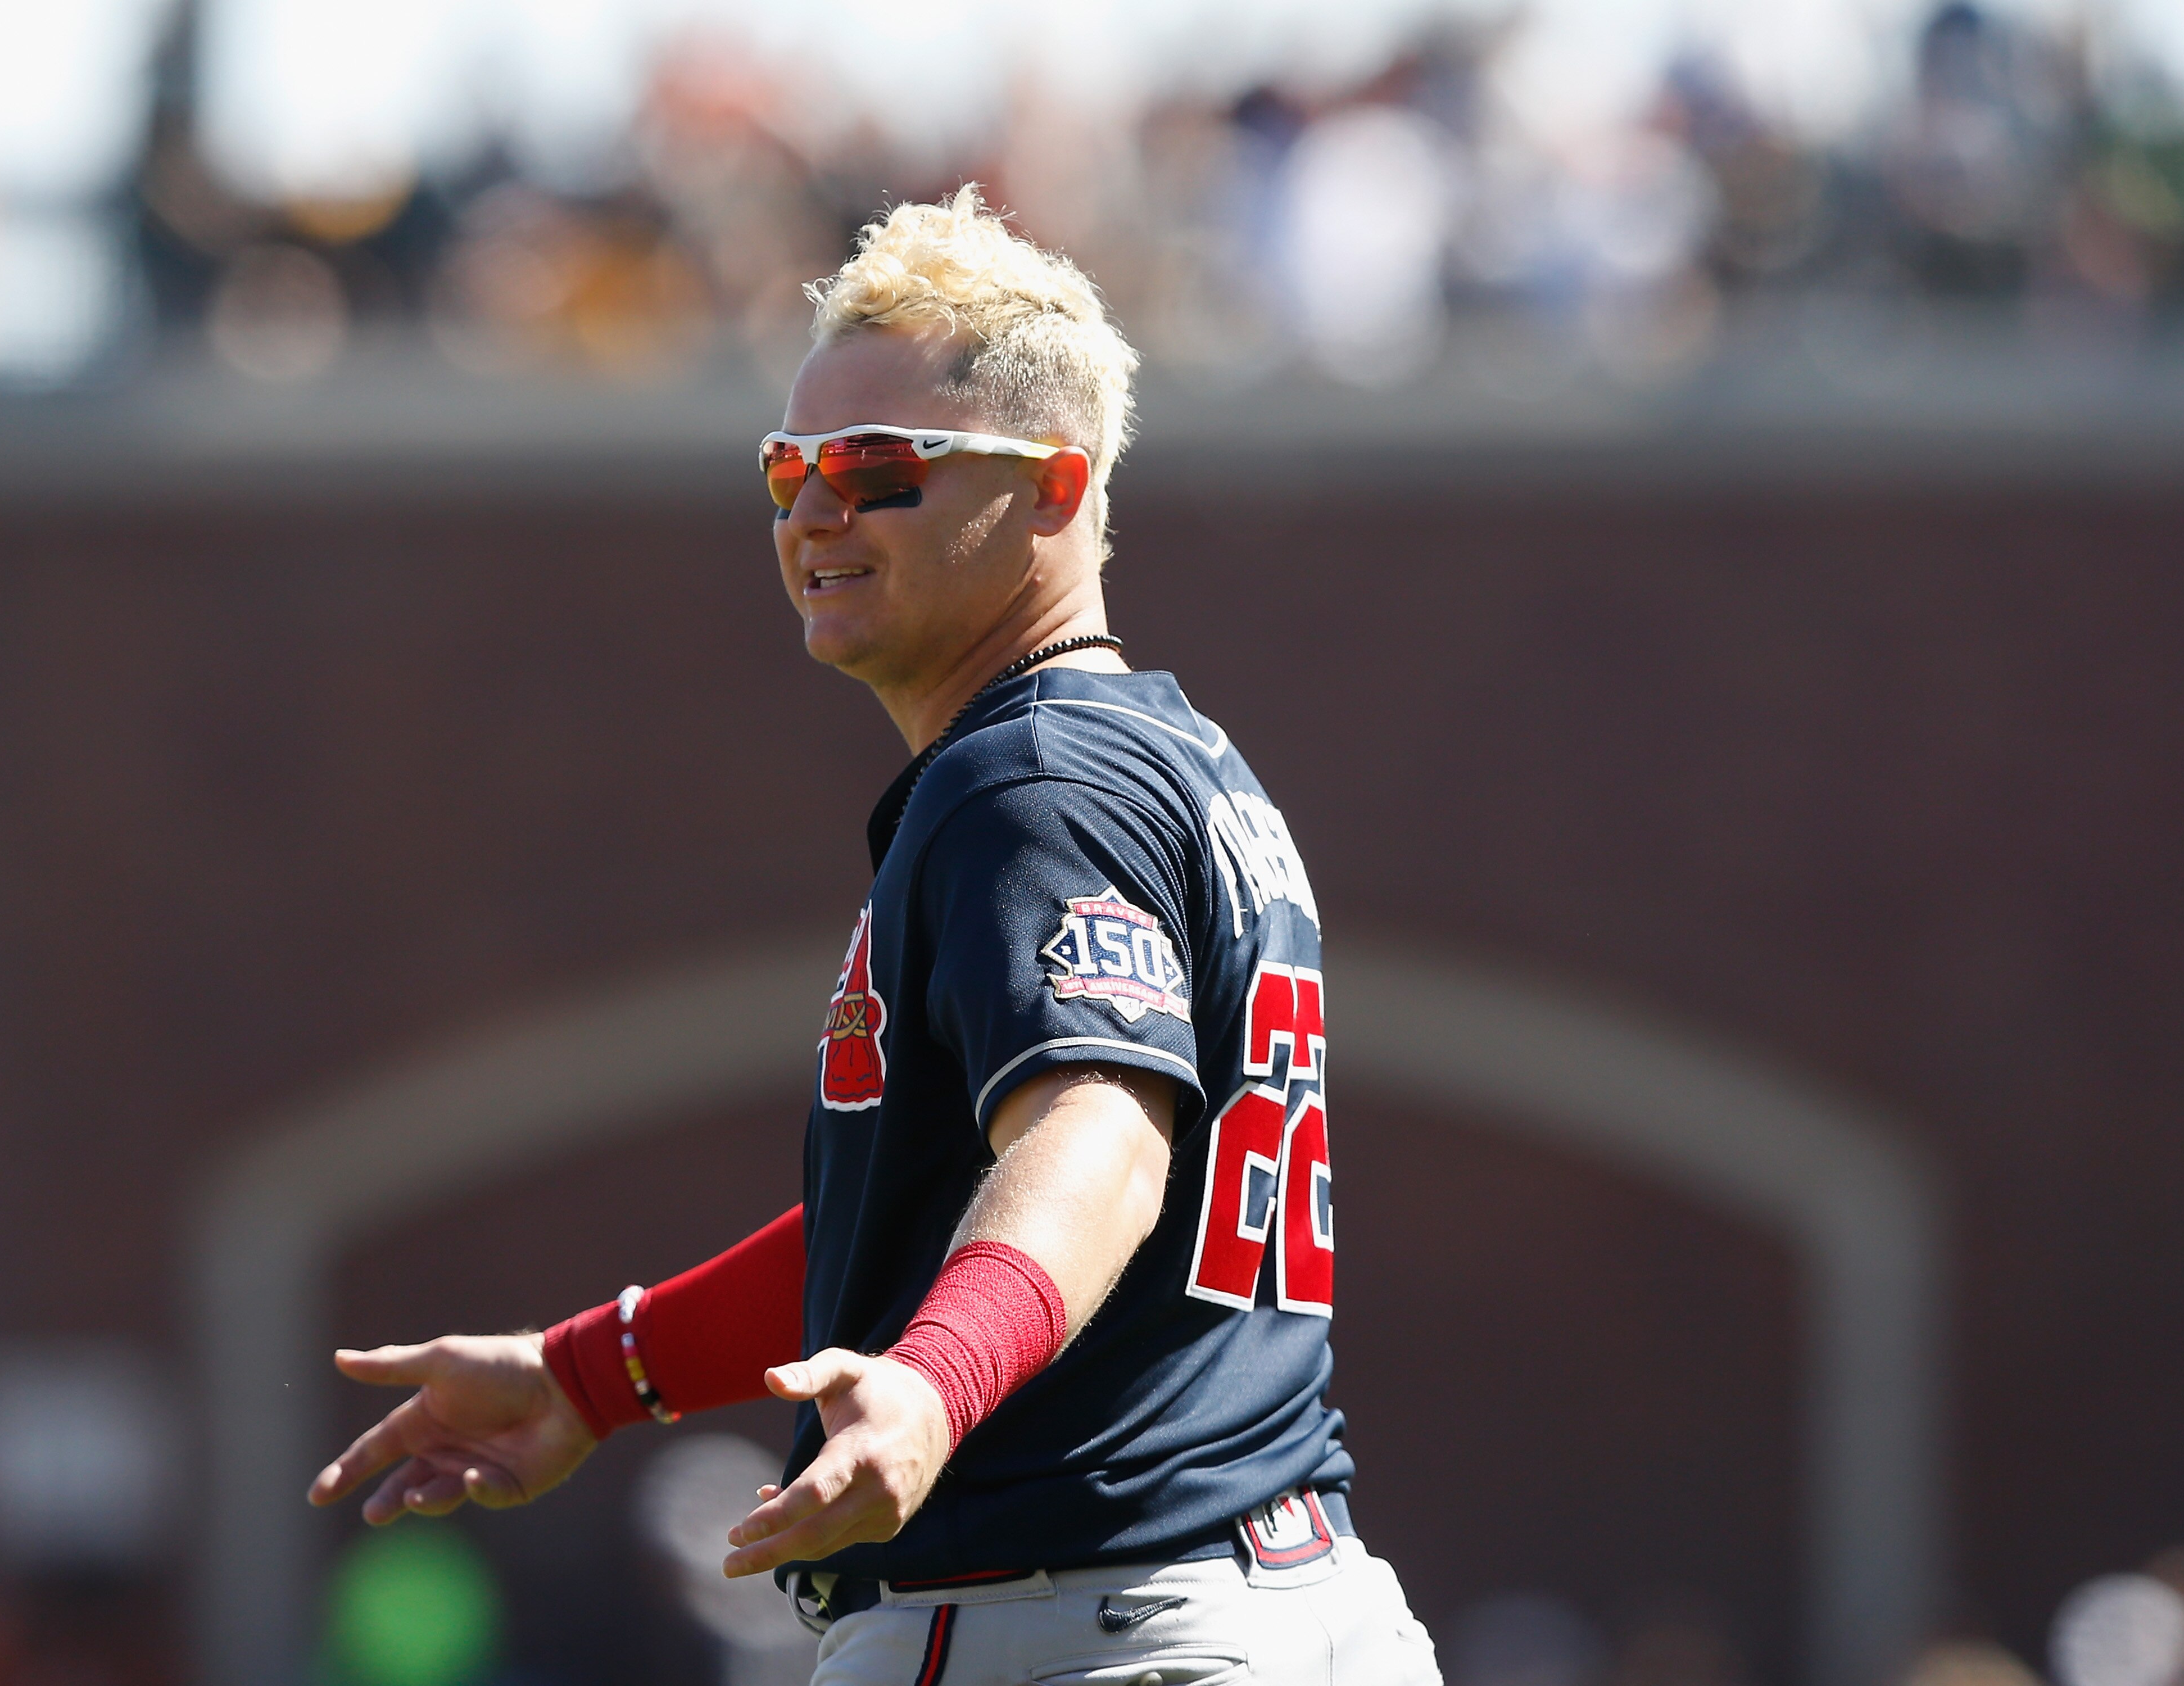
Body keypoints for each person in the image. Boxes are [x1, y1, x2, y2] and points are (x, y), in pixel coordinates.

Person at [309, 187, 1439, 1686]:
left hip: (1076, 1625)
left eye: (877, 469)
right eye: (787, 472)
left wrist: (930, 1383)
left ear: (1050, 488)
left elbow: (1096, 1137)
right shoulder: (1159, 759)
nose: (813, 514)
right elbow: (919, 1221)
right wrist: (590, 1375)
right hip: (1273, 1607)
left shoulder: (1027, 780)